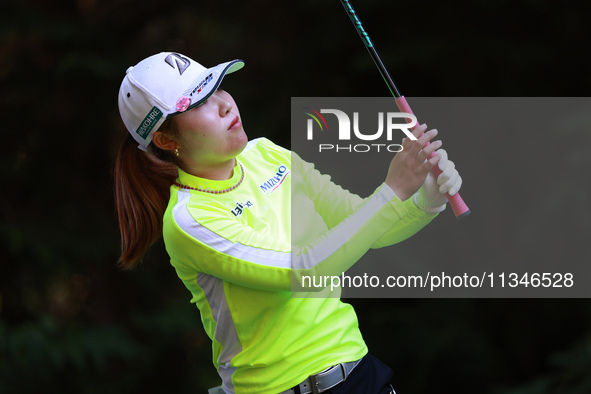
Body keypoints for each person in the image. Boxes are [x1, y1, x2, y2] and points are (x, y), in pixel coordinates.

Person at [113, 52, 462, 394]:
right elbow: (303, 269)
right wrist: (393, 189)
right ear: (165, 140)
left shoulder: (267, 154)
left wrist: (426, 199)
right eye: (198, 102)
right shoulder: (189, 220)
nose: (224, 104)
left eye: (217, 86)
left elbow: (362, 225)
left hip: (358, 371)